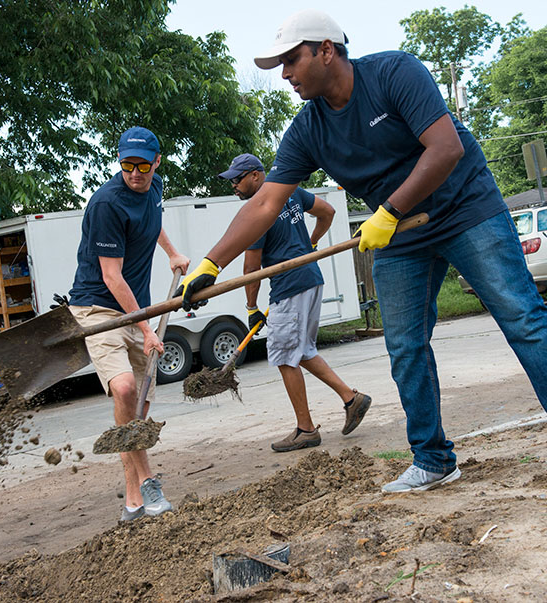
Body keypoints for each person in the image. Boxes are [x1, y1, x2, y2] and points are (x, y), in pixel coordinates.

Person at [175, 10, 547, 493]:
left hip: (465, 210)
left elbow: (445, 148)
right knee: (405, 346)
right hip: (399, 237)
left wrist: (389, 210)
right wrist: (211, 263)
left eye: (290, 61)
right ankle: (434, 460)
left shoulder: (394, 73)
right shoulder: (308, 129)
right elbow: (266, 201)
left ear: (325, 50)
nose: (285, 74)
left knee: (522, 317)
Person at [69, 126, 189, 520]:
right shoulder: (107, 204)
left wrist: (172, 253)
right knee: (124, 390)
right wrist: (146, 330)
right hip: (99, 309)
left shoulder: (152, 191)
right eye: (126, 165)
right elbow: (111, 278)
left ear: (157, 162)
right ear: (119, 161)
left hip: (138, 309)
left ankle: (133, 502)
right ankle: (151, 482)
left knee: (138, 409)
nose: (134, 173)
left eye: (142, 165)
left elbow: (153, 223)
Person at [218, 153, 372, 451]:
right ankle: (352, 399)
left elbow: (251, 268)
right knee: (301, 350)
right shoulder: (290, 192)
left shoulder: (256, 211)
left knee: (284, 355)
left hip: (289, 287)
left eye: (237, 179)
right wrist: (310, 244)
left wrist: (252, 309)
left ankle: (306, 429)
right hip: (310, 279)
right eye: (231, 181)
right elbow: (327, 212)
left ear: (256, 176)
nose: (234, 186)